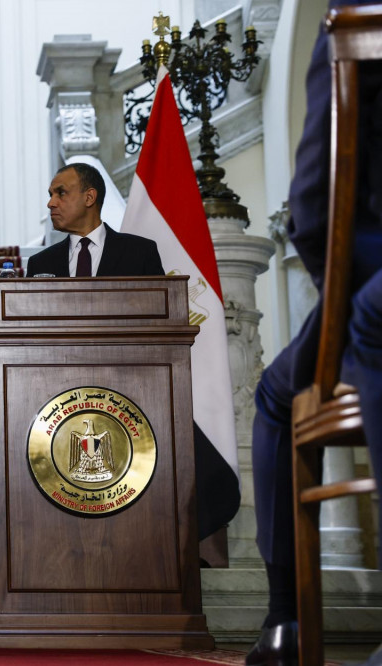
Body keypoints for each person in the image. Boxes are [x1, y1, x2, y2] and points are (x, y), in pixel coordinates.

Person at [244, 2, 382, 664]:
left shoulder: (351, 14)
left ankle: (285, 618)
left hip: (376, 291)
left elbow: (313, 201)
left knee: (277, 397)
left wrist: (346, 297)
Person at [26, 163, 164, 277]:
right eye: (51, 195)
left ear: (89, 198)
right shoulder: (39, 263)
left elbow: (161, 306)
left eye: (61, 193)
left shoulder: (140, 254)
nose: (51, 203)